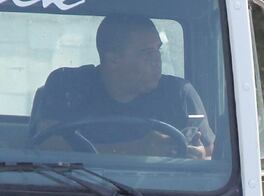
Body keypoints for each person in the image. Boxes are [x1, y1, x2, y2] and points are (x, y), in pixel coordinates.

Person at [29, 14, 214, 158]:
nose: (157, 60)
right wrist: (137, 150)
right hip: (72, 192)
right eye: (146, 53)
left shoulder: (179, 94)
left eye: (157, 50)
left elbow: (212, 157)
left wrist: (199, 156)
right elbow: (46, 146)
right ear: (113, 59)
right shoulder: (67, 85)